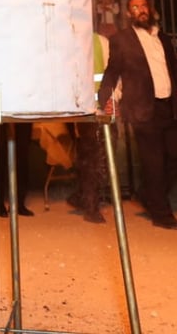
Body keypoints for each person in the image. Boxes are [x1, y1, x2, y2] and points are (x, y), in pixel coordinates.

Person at [98, 0, 177, 230]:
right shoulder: (122, 39)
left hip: (167, 106)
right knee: (154, 163)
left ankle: (147, 194)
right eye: (135, 7)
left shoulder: (164, 38)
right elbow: (112, 71)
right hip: (140, 107)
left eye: (144, 6)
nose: (141, 10)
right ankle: (161, 213)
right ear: (129, 14)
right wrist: (104, 99)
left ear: (151, 10)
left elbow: (172, 68)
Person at [67, 32, 109, 224]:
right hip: (81, 109)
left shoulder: (101, 42)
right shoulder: (69, 40)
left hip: (103, 107)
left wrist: (113, 98)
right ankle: (91, 206)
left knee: (104, 155)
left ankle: (82, 196)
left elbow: (111, 71)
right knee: (91, 155)